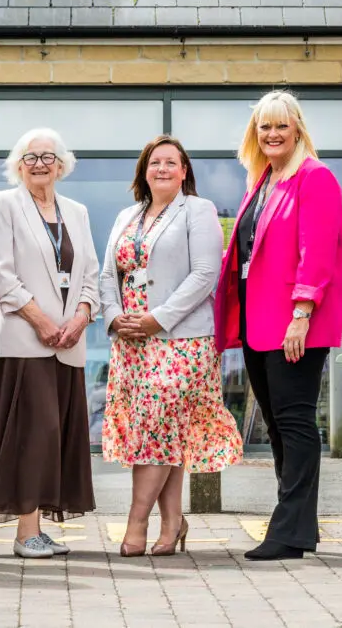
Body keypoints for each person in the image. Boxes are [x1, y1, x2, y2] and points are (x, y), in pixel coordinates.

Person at [213, 91, 342, 561]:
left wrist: (302, 314)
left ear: (297, 130)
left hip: (294, 325)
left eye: (280, 126)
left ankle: (289, 530)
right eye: (263, 127)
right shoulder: (262, 181)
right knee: (276, 425)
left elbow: (318, 253)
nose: (271, 134)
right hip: (258, 324)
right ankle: (297, 527)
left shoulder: (315, 178)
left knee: (293, 423)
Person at [0, 128, 99, 559]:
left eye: (48, 156)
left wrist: (81, 317)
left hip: (67, 343)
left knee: (55, 438)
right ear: (19, 165)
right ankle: (25, 534)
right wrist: (40, 320)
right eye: (31, 156)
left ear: (62, 164)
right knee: (33, 434)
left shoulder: (77, 211)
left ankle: (35, 528)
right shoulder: (6, 204)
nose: (40, 163)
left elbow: (90, 274)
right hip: (24, 340)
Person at [101, 135, 243, 557]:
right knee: (161, 432)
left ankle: (136, 521)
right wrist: (114, 317)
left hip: (180, 338)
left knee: (159, 426)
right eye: (154, 163)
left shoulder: (197, 210)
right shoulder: (128, 215)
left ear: (184, 172)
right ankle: (173, 523)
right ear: (144, 171)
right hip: (132, 343)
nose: (162, 169)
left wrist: (156, 318)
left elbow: (204, 275)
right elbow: (110, 275)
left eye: (170, 163)